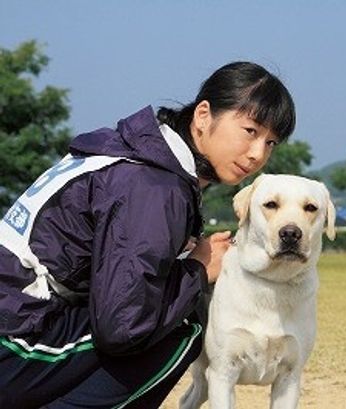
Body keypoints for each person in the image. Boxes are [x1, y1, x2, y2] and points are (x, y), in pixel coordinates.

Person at [0, 61, 295, 408]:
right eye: (250, 130)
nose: (258, 153)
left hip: (20, 324)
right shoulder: (154, 185)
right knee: (184, 328)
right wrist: (198, 271)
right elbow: (122, 327)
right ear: (203, 116)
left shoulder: (137, 158)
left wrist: (186, 262)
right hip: (14, 343)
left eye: (271, 142)